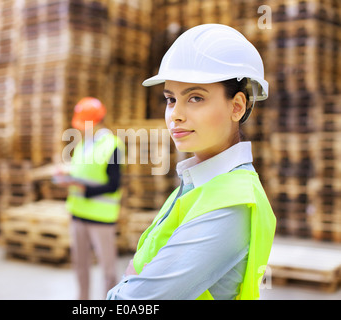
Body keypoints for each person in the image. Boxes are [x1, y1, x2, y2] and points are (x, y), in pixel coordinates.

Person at [107, 24, 276, 300]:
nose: (175, 115)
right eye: (171, 99)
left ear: (237, 106)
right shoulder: (197, 184)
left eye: (195, 98)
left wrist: (129, 280)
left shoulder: (232, 203)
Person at [55, 97, 124, 300]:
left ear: (97, 121)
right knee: (80, 265)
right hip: (77, 214)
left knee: (108, 270)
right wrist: (67, 176)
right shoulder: (84, 144)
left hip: (101, 217)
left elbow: (114, 185)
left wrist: (81, 187)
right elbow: (82, 172)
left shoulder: (113, 145)